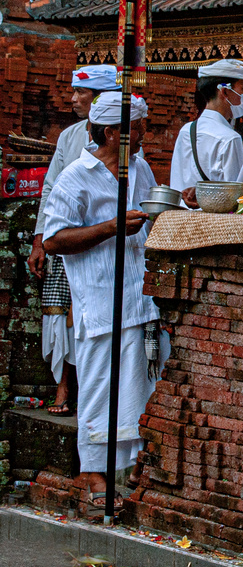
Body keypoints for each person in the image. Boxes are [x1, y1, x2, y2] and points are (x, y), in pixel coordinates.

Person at [42, 93, 166, 514]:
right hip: (99, 299)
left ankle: (133, 469)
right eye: (138, 126)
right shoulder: (77, 175)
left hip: (140, 297)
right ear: (113, 132)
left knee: (140, 388)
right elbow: (55, 239)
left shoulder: (141, 168)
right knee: (98, 389)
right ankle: (94, 477)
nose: (144, 132)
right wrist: (111, 227)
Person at [28, 64, 121, 415]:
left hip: (100, 241)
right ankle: (64, 386)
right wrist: (40, 240)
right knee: (60, 311)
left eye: (80, 92)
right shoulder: (69, 137)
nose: (73, 99)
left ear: (98, 98)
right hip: (66, 236)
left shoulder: (120, 140)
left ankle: (96, 395)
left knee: (93, 315)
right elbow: (50, 187)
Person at [170, 58, 243, 208]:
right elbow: (236, 198)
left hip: (181, 220)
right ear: (225, 91)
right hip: (212, 225)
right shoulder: (230, 139)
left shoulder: (186, 130)